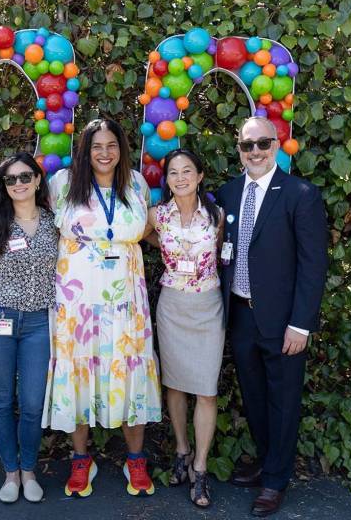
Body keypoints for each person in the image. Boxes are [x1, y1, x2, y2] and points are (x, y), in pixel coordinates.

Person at [215, 117, 329, 517]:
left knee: (283, 400)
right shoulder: (227, 194)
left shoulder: (300, 194)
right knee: (255, 398)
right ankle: (267, 462)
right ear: (239, 149)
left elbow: (313, 265)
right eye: (249, 146)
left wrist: (301, 324)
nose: (256, 152)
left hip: (284, 322)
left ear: (277, 145)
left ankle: (276, 480)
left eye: (264, 143)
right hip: (241, 315)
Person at [42, 118, 162, 498]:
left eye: (112, 145)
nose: (105, 153)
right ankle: (81, 461)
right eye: (97, 146)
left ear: (122, 149)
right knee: (78, 370)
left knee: (130, 371)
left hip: (126, 302)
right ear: (85, 150)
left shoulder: (137, 184)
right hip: (76, 302)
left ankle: (136, 460)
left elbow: (147, 230)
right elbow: (40, 225)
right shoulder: (62, 183)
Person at [0, 152, 58, 504]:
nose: (18, 184)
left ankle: (30, 470)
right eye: (10, 179)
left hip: (38, 323)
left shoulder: (55, 223)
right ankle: (10, 474)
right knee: (3, 401)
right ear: (4, 187)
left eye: (24, 177)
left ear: (36, 180)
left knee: (32, 404)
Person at [145, 149, 224, 509]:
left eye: (187, 170)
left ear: (200, 175)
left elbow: (223, 252)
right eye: (173, 172)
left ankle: (200, 467)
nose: (180, 177)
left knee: (207, 390)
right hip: (173, 305)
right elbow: (142, 238)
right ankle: (181, 449)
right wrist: (169, 250)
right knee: (174, 384)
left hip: (208, 306)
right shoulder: (156, 215)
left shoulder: (218, 215)